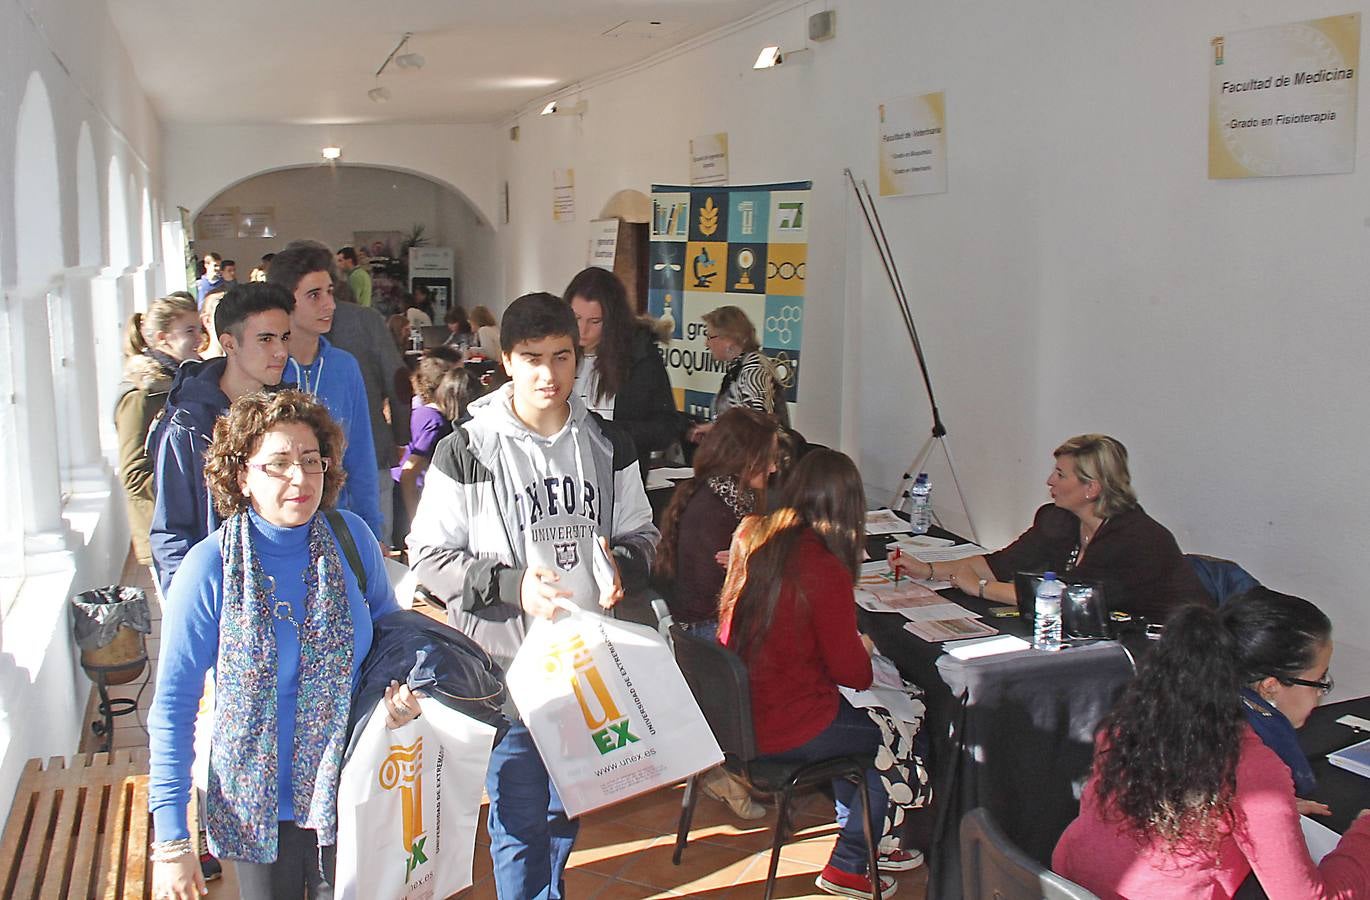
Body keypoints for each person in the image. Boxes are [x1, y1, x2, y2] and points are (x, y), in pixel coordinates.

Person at [407, 292, 658, 900]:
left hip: (585, 665)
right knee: (518, 816)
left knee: (566, 804)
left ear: (580, 358)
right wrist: (513, 585)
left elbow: (643, 533)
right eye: (532, 358)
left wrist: (622, 564)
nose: (549, 374)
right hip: (505, 668)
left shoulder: (608, 443)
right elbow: (427, 559)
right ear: (506, 361)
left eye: (562, 357)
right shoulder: (464, 450)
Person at [147, 390, 408, 900]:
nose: (300, 479)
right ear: (241, 476)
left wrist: (396, 694)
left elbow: (393, 639)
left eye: (311, 461)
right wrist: (173, 843)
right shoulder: (210, 568)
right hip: (255, 811)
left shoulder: (350, 539)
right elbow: (173, 708)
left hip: (351, 786)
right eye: (278, 464)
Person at [1053, 589, 1370, 898]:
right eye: (1320, 681)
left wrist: (1269, 816)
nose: (1321, 693)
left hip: (1069, 886)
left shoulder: (1139, 718)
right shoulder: (1252, 769)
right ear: (1271, 687)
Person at [719, 449, 913, 898]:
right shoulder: (822, 567)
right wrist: (865, 647)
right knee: (891, 732)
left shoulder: (751, 533)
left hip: (738, 714)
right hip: (784, 722)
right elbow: (855, 675)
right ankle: (852, 859)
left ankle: (870, 836)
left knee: (861, 731)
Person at [893, 433, 1208, 621]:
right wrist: (930, 569)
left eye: (1061, 475)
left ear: (1092, 488)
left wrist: (979, 587)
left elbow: (1064, 599)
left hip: (1165, 647)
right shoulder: (1059, 519)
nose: (1050, 481)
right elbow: (1000, 563)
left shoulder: (1134, 538)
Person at [150, 282, 294, 595]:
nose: (281, 351)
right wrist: (189, 605)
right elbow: (170, 532)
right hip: (221, 597)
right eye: (265, 339)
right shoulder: (187, 426)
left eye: (284, 337)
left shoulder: (293, 414)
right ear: (229, 343)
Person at [267, 240, 384, 542]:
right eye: (314, 295)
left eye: (330, 292)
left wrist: (372, 533)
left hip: (338, 527)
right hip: (280, 528)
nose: (329, 305)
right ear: (286, 301)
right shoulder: (269, 369)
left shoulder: (344, 367)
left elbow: (361, 456)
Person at [657, 407, 778, 639]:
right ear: (744, 457)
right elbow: (732, 594)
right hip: (708, 632)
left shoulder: (729, 497)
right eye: (768, 458)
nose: (773, 467)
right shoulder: (717, 512)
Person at [563, 266, 682, 471]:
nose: (583, 330)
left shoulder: (640, 357)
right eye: (576, 319)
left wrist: (607, 432)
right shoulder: (557, 353)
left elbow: (666, 428)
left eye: (595, 321)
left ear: (612, 320)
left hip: (619, 479)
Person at [115, 293, 202, 566]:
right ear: (163, 338)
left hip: (192, 524)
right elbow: (133, 474)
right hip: (163, 532)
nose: (200, 338)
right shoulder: (141, 397)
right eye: (190, 331)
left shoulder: (187, 382)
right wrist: (184, 487)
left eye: (200, 329)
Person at [328, 287, 412, 547]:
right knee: (375, 549)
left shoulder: (286, 319)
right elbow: (398, 380)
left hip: (311, 461)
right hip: (373, 447)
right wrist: (400, 437)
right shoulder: (366, 320)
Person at [393, 349, 477, 543]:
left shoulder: (420, 410)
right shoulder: (435, 422)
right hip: (413, 499)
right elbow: (409, 472)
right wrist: (415, 519)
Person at [689, 305, 789, 443]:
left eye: (710, 336)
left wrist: (715, 429)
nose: (707, 344)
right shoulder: (742, 367)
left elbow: (756, 424)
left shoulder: (755, 369)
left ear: (729, 339)